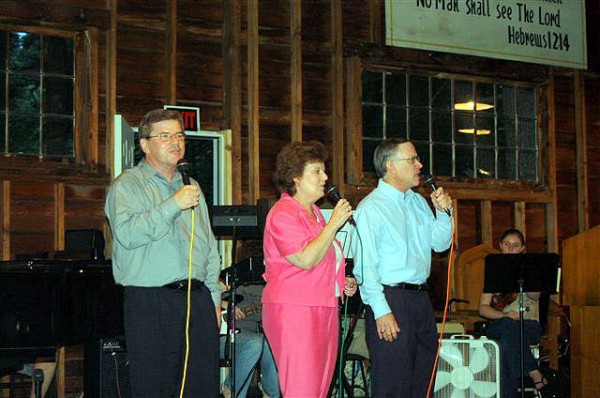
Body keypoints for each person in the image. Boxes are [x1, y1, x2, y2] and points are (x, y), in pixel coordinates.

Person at [104, 108, 221, 398]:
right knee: (154, 386)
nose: (175, 142)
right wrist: (173, 205)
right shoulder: (127, 185)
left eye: (179, 135)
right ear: (144, 144)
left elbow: (207, 246)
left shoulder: (191, 185)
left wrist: (215, 299)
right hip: (150, 301)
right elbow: (128, 235)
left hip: (197, 301)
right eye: (165, 136)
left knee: (201, 386)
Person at [352, 138, 453, 397]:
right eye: (412, 159)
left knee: (424, 378)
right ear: (391, 166)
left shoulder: (419, 202)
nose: (420, 164)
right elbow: (365, 266)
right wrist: (381, 310)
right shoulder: (371, 208)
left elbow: (440, 244)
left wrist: (443, 213)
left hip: (421, 299)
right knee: (393, 382)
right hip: (391, 299)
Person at [261, 141, 358, 398]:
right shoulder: (283, 213)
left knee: (319, 389)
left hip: (323, 306)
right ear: (295, 177)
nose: (325, 177)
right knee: (301, 389)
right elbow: (305, 259)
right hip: (294, 310)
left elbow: (325, 257)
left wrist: (342, 281)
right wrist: (333, 224)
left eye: (324, 171)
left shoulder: (314, 212)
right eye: (317, 171)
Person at [478, 228, 547, 397]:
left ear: (523, 248)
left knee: (504, 348)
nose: (510, 249)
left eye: (515, 246)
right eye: (507, 244)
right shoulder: (493, 272)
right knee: (508, 326)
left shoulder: (530, 268)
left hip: (528, 325)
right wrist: (504, 315)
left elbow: (535, 295)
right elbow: (483, 308)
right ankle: (533, 371)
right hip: (501, 324)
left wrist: (526, 274)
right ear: (500, 245)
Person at [219, 281, 280, 398]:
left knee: (267, 343)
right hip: (222, 338)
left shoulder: (270, 290)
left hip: (251, 337)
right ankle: (231, 389)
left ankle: (271, 394)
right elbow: (202, 299)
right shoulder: (228, 281)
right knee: (256, 343)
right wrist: (226, 304)